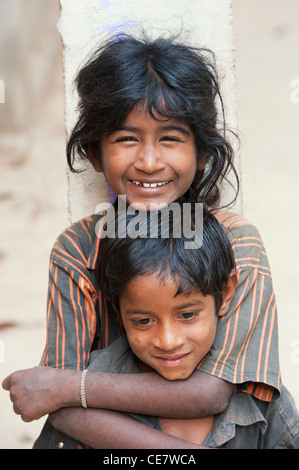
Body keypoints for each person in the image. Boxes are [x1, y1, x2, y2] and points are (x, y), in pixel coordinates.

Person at [2, 34, 281, 447]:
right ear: (96, 154)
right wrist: (60, 392)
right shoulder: (78, 250)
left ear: (202, 153)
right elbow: (56, 406)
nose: (149, 162)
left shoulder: (237, 243)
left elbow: (212, 392)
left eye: (170, 138)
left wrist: (70, 388)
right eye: (126, 139)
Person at [4, 203, 298, 449]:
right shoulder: (87, 401)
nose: (168, 341)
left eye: (187, 315)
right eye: (144, 321)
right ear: (117, 311)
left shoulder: (265, 404)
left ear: (227, 292)